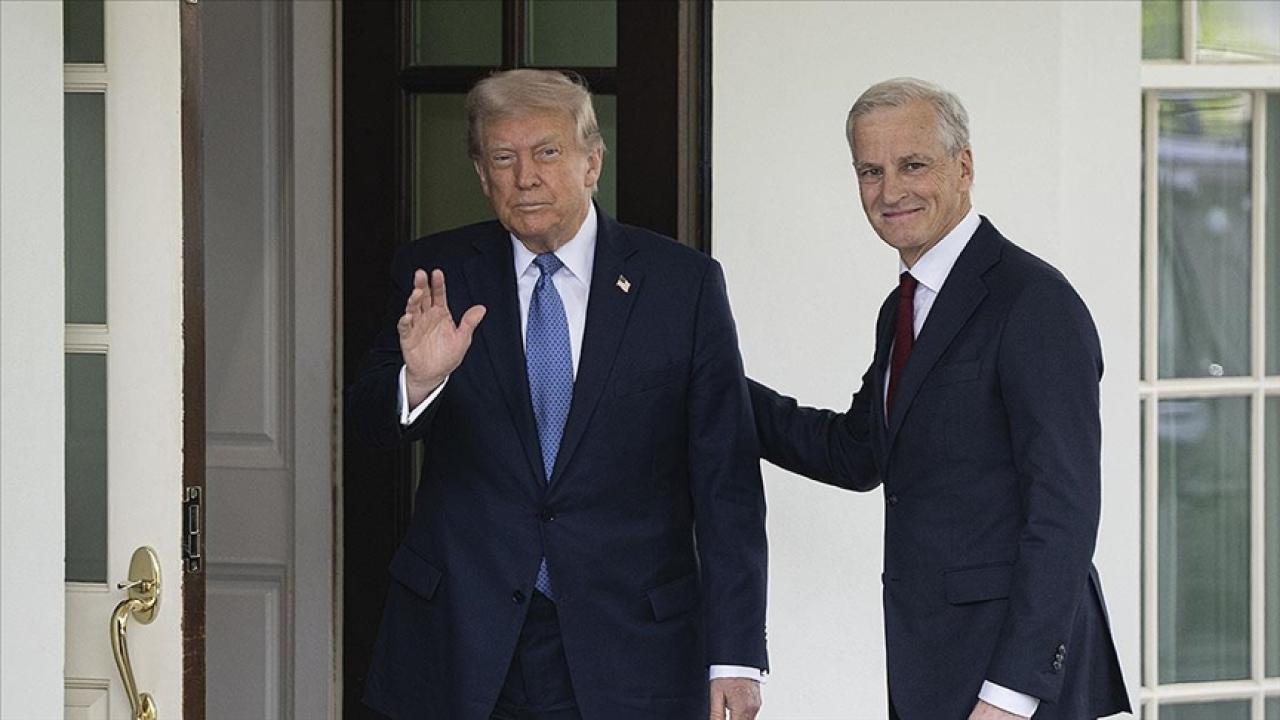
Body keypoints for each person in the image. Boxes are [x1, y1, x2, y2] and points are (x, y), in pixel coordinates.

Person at [346, 69, 768, 720]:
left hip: (630, 643)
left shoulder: (682, 285)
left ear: (592, 162)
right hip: (462, 638)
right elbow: (365, 424)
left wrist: (734, 655)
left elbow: (726, 481)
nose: (526, 177)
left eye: (547, 152)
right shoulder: (436, 274)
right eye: (503, 159)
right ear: (481, 175)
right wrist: (420, 380)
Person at [748, 78, 1130, 719]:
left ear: (964, 167)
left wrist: (1011, 694)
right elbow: (857, 453)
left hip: (1013, 690)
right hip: (934, 670)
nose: (890, 191)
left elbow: (1063, 512)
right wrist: (711, 386)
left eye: (913, 165)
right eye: (870, 171)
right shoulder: (903, 307)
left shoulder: (1034, 302)